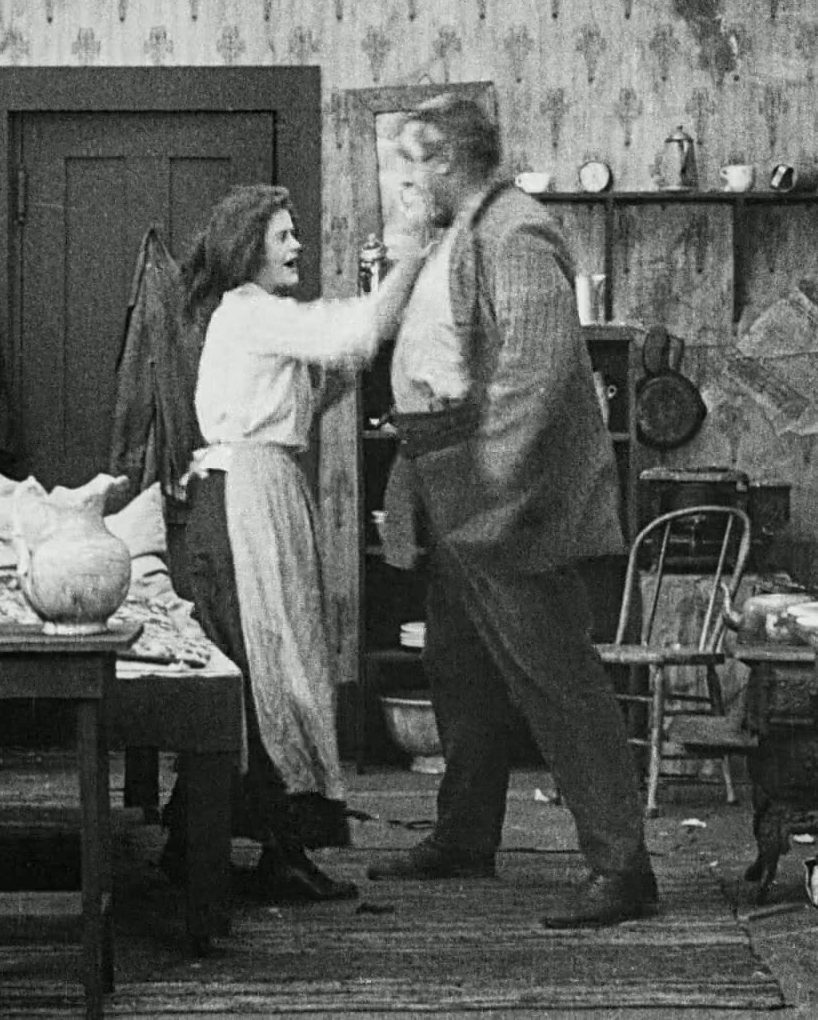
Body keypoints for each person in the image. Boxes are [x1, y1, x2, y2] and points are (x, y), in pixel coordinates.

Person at [363, 94, 658, 929]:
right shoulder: (462, 231)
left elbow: (536, 370)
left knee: (557, 678)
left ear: (451, 161)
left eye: (416, 161)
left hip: (506, 503)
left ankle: (622, 866)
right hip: (456, 490)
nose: (407, 179)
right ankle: (465, 836)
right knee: (459, 668)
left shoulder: (517, 232)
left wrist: (492, 487)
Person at [158, 184, 426, 903]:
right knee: (271, 671)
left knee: (261, 670)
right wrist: (411, 260)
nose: (297, 245)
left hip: (255, 491)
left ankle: (198, 842)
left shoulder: (247, 317)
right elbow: (353, 329)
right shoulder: (253, 312)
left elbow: (305, 394)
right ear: (249, 247)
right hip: (248, 498)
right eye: (283, 235)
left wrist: (338, 368)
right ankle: (270, 851)